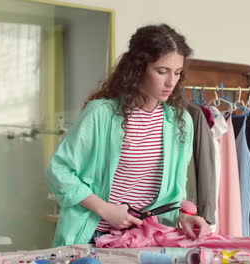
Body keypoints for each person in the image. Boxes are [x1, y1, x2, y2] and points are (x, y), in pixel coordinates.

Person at [46, 24, 211, 246]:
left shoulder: (180, 121)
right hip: (94, 237)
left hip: (148, 239)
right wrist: (106, 210)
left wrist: (184, 217)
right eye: (162, 71)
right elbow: (59, 170)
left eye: (177, 72)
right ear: (138, 68)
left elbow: (175, 190)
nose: (171, 82)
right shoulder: (101, 114)